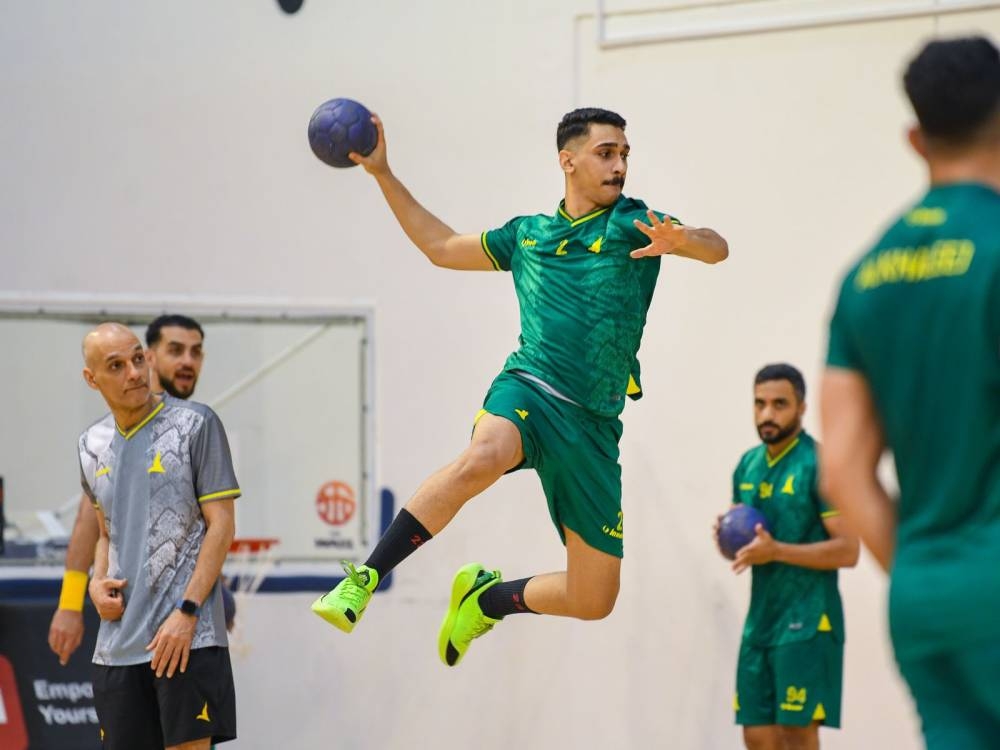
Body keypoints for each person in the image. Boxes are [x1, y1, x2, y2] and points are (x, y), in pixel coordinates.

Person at [311, 107, 729, 666]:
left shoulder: (636, 223)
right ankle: (363, 578)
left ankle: (487, 600)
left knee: (593, 599)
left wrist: (681, 239)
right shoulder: (528, 236)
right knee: (483, 457)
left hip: (593, 424)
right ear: (568, 161)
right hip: (530, 385)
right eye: (606, 153)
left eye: (625, 154)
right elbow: (440, 246)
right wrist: (383, 173)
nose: (619, 165)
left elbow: (716, 247)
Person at [821, 35, 1000, 750]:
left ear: (917, 139)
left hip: (922, 601)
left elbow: (842, 471)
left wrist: (927, 572)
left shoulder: (864, 276)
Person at [79, 322, 239, 749]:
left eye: (137, 358)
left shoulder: (197, 423)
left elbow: (222, 525)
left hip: (187, 638)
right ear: (92, 378)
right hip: (117, 648)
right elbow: (105, 532)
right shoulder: (90, 444)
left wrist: (187, 612)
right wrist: (95, 582)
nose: (134, 372)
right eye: (116, 365)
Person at [48, 314, 207, 666]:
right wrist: (70, 603)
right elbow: (92, 523)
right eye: (175, 350)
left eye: (196, 352)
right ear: (150, 356)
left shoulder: (195, 423)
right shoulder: (112, 434)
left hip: (186, 617)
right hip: (134, 621)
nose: (187, 361)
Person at [717, 364, 858, 750]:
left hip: (808, 619)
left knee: (796, 734)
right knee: (758, 737)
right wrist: (727, 538)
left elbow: (849, 550)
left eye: (779, 404)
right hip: (761, 619)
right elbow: (750, 543)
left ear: (802, 407)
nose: (767, 414)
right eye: (759, 403)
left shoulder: (821, 465)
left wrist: (776, 551)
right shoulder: (747, 465)